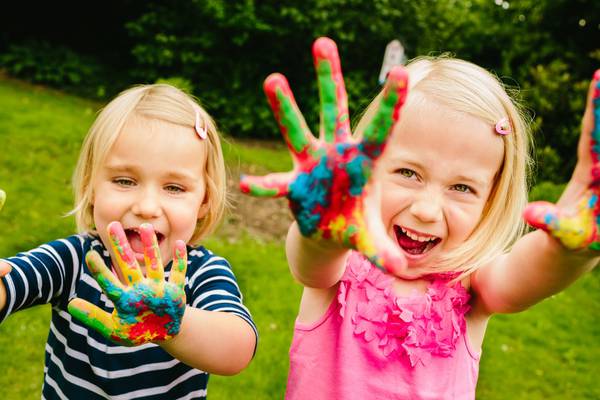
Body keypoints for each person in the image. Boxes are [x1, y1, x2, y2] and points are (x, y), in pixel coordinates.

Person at [241, 37, 599, 399]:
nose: (426, 210)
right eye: (408, 173)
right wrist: (323, 229)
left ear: (491, 201)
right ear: (366, 170)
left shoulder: (473, 286)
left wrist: (570, 252)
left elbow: (523, 276)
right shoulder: (338, 265)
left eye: (461, 188)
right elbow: (310, 264)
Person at [0, 84, 258, 399]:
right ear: (91, 187)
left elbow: (236, 350)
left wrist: (171, 321)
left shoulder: (203, 272)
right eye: (124, 181)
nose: (146, 207)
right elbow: (11, 284)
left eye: (174, 187)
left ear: (204, 201)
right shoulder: (73, 260)